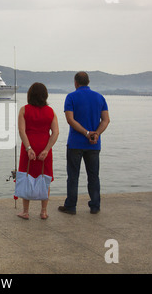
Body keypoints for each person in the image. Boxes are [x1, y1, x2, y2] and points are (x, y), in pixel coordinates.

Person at [58, 71, 109, 215]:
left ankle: (71, 206)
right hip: (94, 144)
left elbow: (70, 120)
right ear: (88, 82)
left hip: (75, 143)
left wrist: (86, 133)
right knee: (93, 176)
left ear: (75, 83)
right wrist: (96, 133)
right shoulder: (100, 98)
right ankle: (95, 205)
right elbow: (106, 120)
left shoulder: (71, 97)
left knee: (73, 176)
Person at [17, 82, 59, 220]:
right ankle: (43, 211)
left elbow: (22, 131)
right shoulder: (51, 112)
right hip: (44, 148)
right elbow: (55, 132)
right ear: (45, 95)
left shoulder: (24, 110)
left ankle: (25, 211)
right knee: (44, 178)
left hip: (28, 148)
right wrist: (47, 150)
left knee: (26, 176)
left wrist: (28, 148)